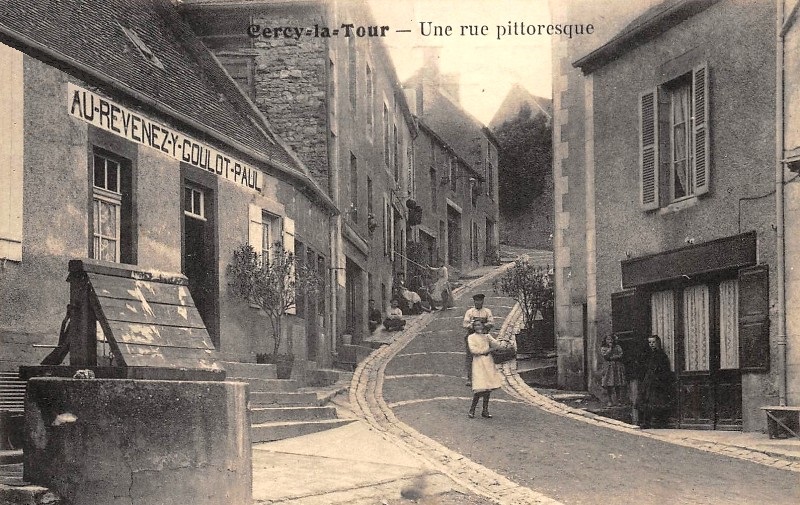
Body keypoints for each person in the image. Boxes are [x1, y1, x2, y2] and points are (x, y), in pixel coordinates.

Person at [466, 319, 503, 418]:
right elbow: (473, 350)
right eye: (476, 326)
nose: (478, 327)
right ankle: (472, 410)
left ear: (483, 326)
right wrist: (487, 350)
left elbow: (497, 345)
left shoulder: (487, 336)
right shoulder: (471, 337)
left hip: (488, 362)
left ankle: (485, 410)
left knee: (488, 387)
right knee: (480, 387)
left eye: (479, 325)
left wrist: (489, 338)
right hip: (478, 363)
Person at [636, 335, 674, 428]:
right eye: (650, 342)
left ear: (658, 343)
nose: (651, 344)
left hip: (657, 381)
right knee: (645, 399)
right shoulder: (649, 355)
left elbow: (665, 369)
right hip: (648, 380)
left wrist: (659, 379)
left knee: (655, 401)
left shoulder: (662, 355)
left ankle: (658, 422)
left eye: (653, 342)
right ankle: (645, 421)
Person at [462, 293, 494, 385]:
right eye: (476, 301)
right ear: (474, 302)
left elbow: (492, 323)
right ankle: (470, 378)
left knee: (485, 357)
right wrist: (472, 325)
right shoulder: (470, 312)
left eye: (480, 301)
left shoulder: (487, 312)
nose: (478, 303)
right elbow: (465, 324)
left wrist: (483, 325)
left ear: (483, 301)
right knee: (470, 357)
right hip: (472, 336)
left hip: (484, 336)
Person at [600, 334, 626, 406]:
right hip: (608, 367)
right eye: (608, 339)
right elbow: (605, 356)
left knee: (617, 383)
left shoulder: (617, 347)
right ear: (605, 340)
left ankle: (618, 400)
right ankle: (610, 400)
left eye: (611, 339)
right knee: (609, 383)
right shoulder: (604, 348)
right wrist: (610, 349)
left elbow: (620, 354)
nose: (610, 341)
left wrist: (613, 357)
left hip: (616, 366)